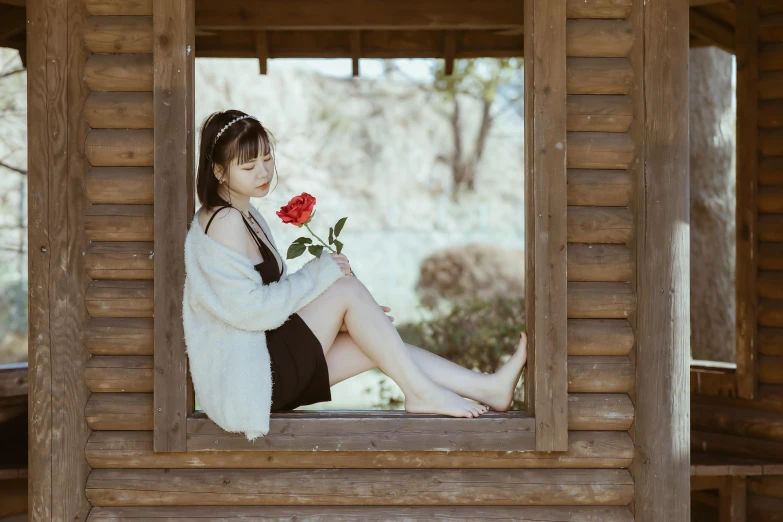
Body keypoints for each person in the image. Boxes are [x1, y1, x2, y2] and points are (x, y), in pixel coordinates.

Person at [182, 109, 528, 442]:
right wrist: (318, 273)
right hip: (250, 380)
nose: (263, 171)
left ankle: (488, 388)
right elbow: (250, 310)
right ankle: (422, 394)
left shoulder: (244, 213)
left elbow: (265, 299)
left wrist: (357, 319)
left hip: (262, 364)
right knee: (345, 289)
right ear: (219, 171)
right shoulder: (224, 222)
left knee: (376, 342)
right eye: (249, 165)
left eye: (267, 158)